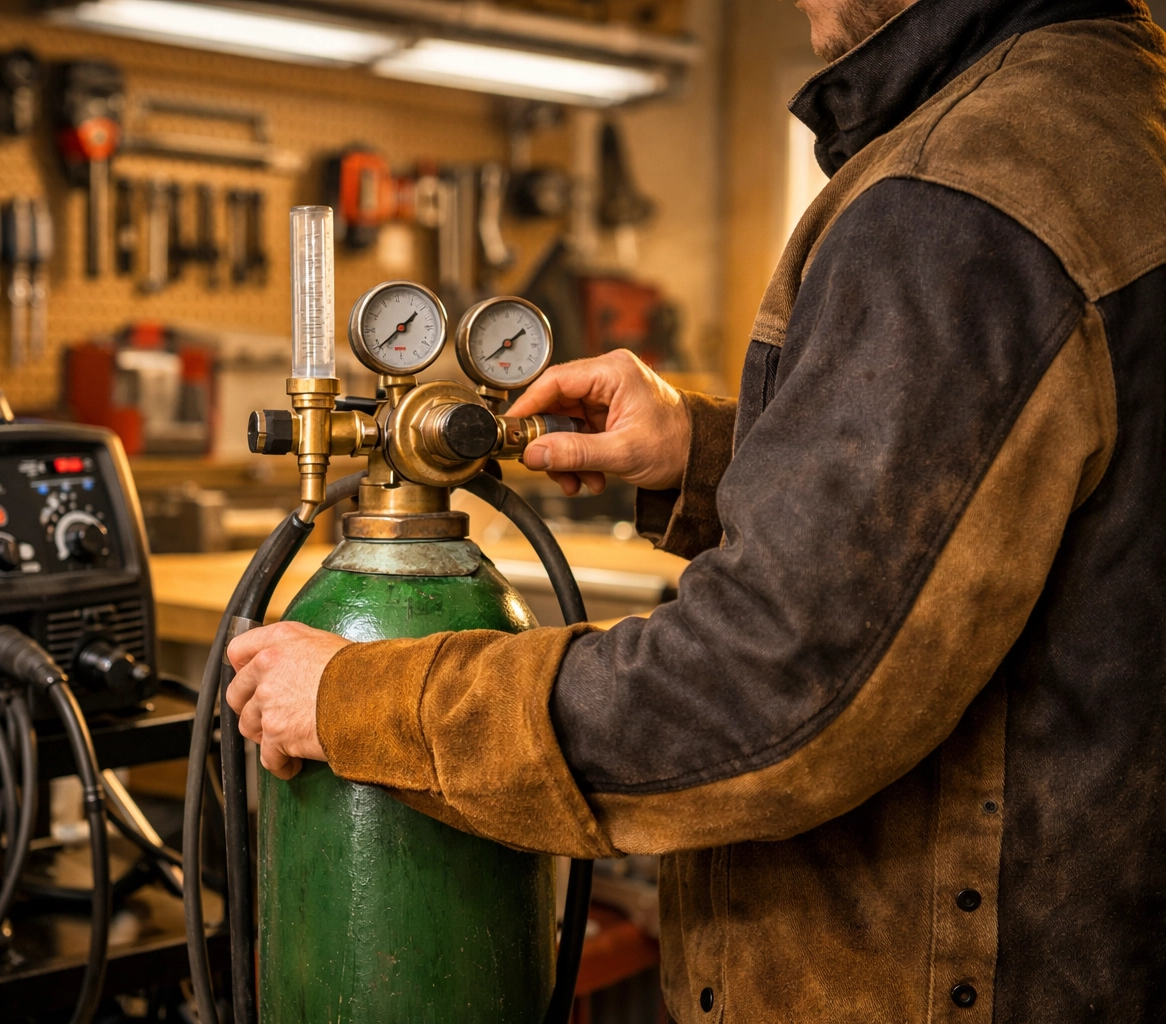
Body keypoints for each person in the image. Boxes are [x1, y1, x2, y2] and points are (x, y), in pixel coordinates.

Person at [227, 0, 1166, 1017]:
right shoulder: (1118, 119)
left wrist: (363, 704)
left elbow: (765, 690)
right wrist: (706, 454)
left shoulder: (963, 193)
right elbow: (1003, 506)